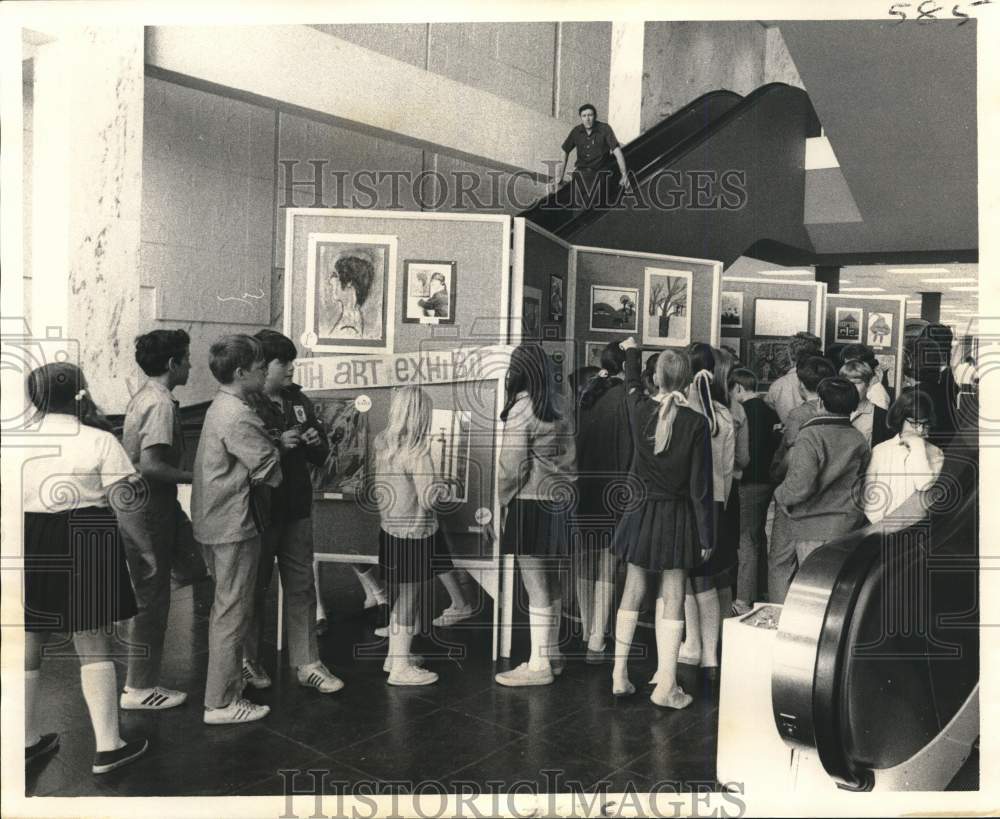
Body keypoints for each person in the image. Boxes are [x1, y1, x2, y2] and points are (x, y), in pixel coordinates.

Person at [22, 363, 149, 774]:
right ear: (81, 393)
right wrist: (145, 550)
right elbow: (125, 507)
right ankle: (109, 746)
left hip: (27, 536)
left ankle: (24, 739)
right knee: (91, 637)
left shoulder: (15, 442)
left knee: (31, 635)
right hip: (87, 534)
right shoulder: (99, 440)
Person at [609, 339, 714, 708]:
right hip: (677, 516)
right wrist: (706, 534)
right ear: (687, 382)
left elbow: (631, 385)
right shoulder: (696, 423)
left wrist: (632, 350)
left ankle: (618, 674)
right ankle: (666, 684)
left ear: (656, 377)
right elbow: (701, 488)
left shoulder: (637, 409)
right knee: (673, 593)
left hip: (638, 513)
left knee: (633, 589)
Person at [242, 330, 344, 694]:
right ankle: (247, 661)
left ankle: (308, 663)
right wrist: (277, 445)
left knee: (302, 586)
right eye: (282, 362)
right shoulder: (245, 405)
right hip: (260, 510)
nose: (290, 368)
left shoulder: (298, 399)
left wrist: (316, 442)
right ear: (260, 366)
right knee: (252, 589)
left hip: (297, 507)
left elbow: (319, 453)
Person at [192, 335, 282, 725]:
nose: (266, 372)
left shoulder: (221, 406)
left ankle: (225, 690)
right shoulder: (239, 414)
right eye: (261, 368)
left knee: (224, 608)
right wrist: (278, 452)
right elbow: (270, 471)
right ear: (242, 372)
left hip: (214, 520)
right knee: (231, 611)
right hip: (234, 523)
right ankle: (221, 702)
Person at [117, 329, 195, 711]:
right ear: (172, 364)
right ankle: (139, 688)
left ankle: (235, 658)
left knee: (199, 568)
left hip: (153, 506)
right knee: (152, 596)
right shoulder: (160, 404)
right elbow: (151, 466)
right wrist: (199, 478)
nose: (191, 364)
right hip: (148, 506)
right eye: (186, 358)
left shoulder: (147, 396)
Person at [495, 343, 576, 687]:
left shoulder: (522, 408)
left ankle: (538, 664)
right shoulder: (561, 404)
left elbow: (512, 467)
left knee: (534, 584)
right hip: (561, 501)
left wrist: (500, 501)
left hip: (529, 502)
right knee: (552, 581)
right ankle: (552, 654)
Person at [374, 386, 453, 685]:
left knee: (401, 595)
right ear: (421, 417)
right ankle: (400, 670)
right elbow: (429, 499)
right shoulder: (418, 452)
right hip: (416, 534)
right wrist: (444, 486)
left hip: (390, 529)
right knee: (411, 597)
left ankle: (396, 656)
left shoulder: (383, 445)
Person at [677, 344, 738, 679]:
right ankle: (710, 656)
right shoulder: (724, 416)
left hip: (688, 503)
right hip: (716, 504)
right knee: (709, 578)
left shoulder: (682, 411)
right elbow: (728, 471)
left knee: (687, 579)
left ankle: (693, 645)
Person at [773, 377, 870, 571]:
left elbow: (800, 486)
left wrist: (779, 494)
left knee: (813, 588)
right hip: (847, 526)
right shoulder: (858, 437)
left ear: (820, 403)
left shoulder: (810, 435)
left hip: (812, 528)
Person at [574, 340, 631, 662]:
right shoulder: (626, 398)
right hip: (614, 488)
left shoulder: (587, 395)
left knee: (586, 558)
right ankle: (598, 636)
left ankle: (585, 628)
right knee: (609, 562)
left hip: (585, 486)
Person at [767, 355, 836, 604]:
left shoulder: (798, 415)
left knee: (780, 561)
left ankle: (778, 616)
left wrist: (776, 480)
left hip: (794, 496)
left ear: (800, 385)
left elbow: (790, 455)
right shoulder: (837, 413)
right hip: (825, 498)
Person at [729, 368, 781, 614]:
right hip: (768, 481)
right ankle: (761, 588)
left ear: (738, 388)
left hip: (748, 482)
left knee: (745, 540)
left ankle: (742, 599)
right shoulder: (771, 412)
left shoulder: (740, 413)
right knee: (758, 536)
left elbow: (741, 455)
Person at [863, 389, 945, 525]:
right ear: (900, 419)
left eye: (925, 424)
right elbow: (869, 492)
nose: (919, 430)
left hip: (916, 530)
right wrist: (879, 522)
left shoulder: (935, 453)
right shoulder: (881, 450)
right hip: (880, 528)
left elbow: (924, 484)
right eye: (914, 423)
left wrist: (917, 445)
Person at [551, 103, 630, 209]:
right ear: (581, 118)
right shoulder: (576, 131)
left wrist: (624, 174)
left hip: (599, 176)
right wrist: (559, 177)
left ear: (595, 116)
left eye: (590, 115)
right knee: (577, 210)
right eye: (584, 116)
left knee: (591, 210)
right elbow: (564, 151)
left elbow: (617, 151)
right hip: (580, 176)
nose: (587, 119)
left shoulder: (605, 129)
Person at [765, 332, 822, 424]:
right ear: (816, 354)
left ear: (791, 355)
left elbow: (770, 406)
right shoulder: (825, 379)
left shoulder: (778, 385)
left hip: (790, 434)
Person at [839, 360, 893, 448]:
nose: (851, 388)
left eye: (857, 383)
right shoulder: (836, 411)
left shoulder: (882, 416)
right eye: (847, 383)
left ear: (868, 384)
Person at [326, 253, 374, 338]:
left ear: (349, 283)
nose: (330, 281)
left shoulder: (348, 329)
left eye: (335, 275)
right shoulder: (352, 319)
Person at [840, 344, 891, 410]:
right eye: (847, 365)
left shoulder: (878, 395)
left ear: (866, 365)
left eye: (854, 365)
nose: (847, 369)